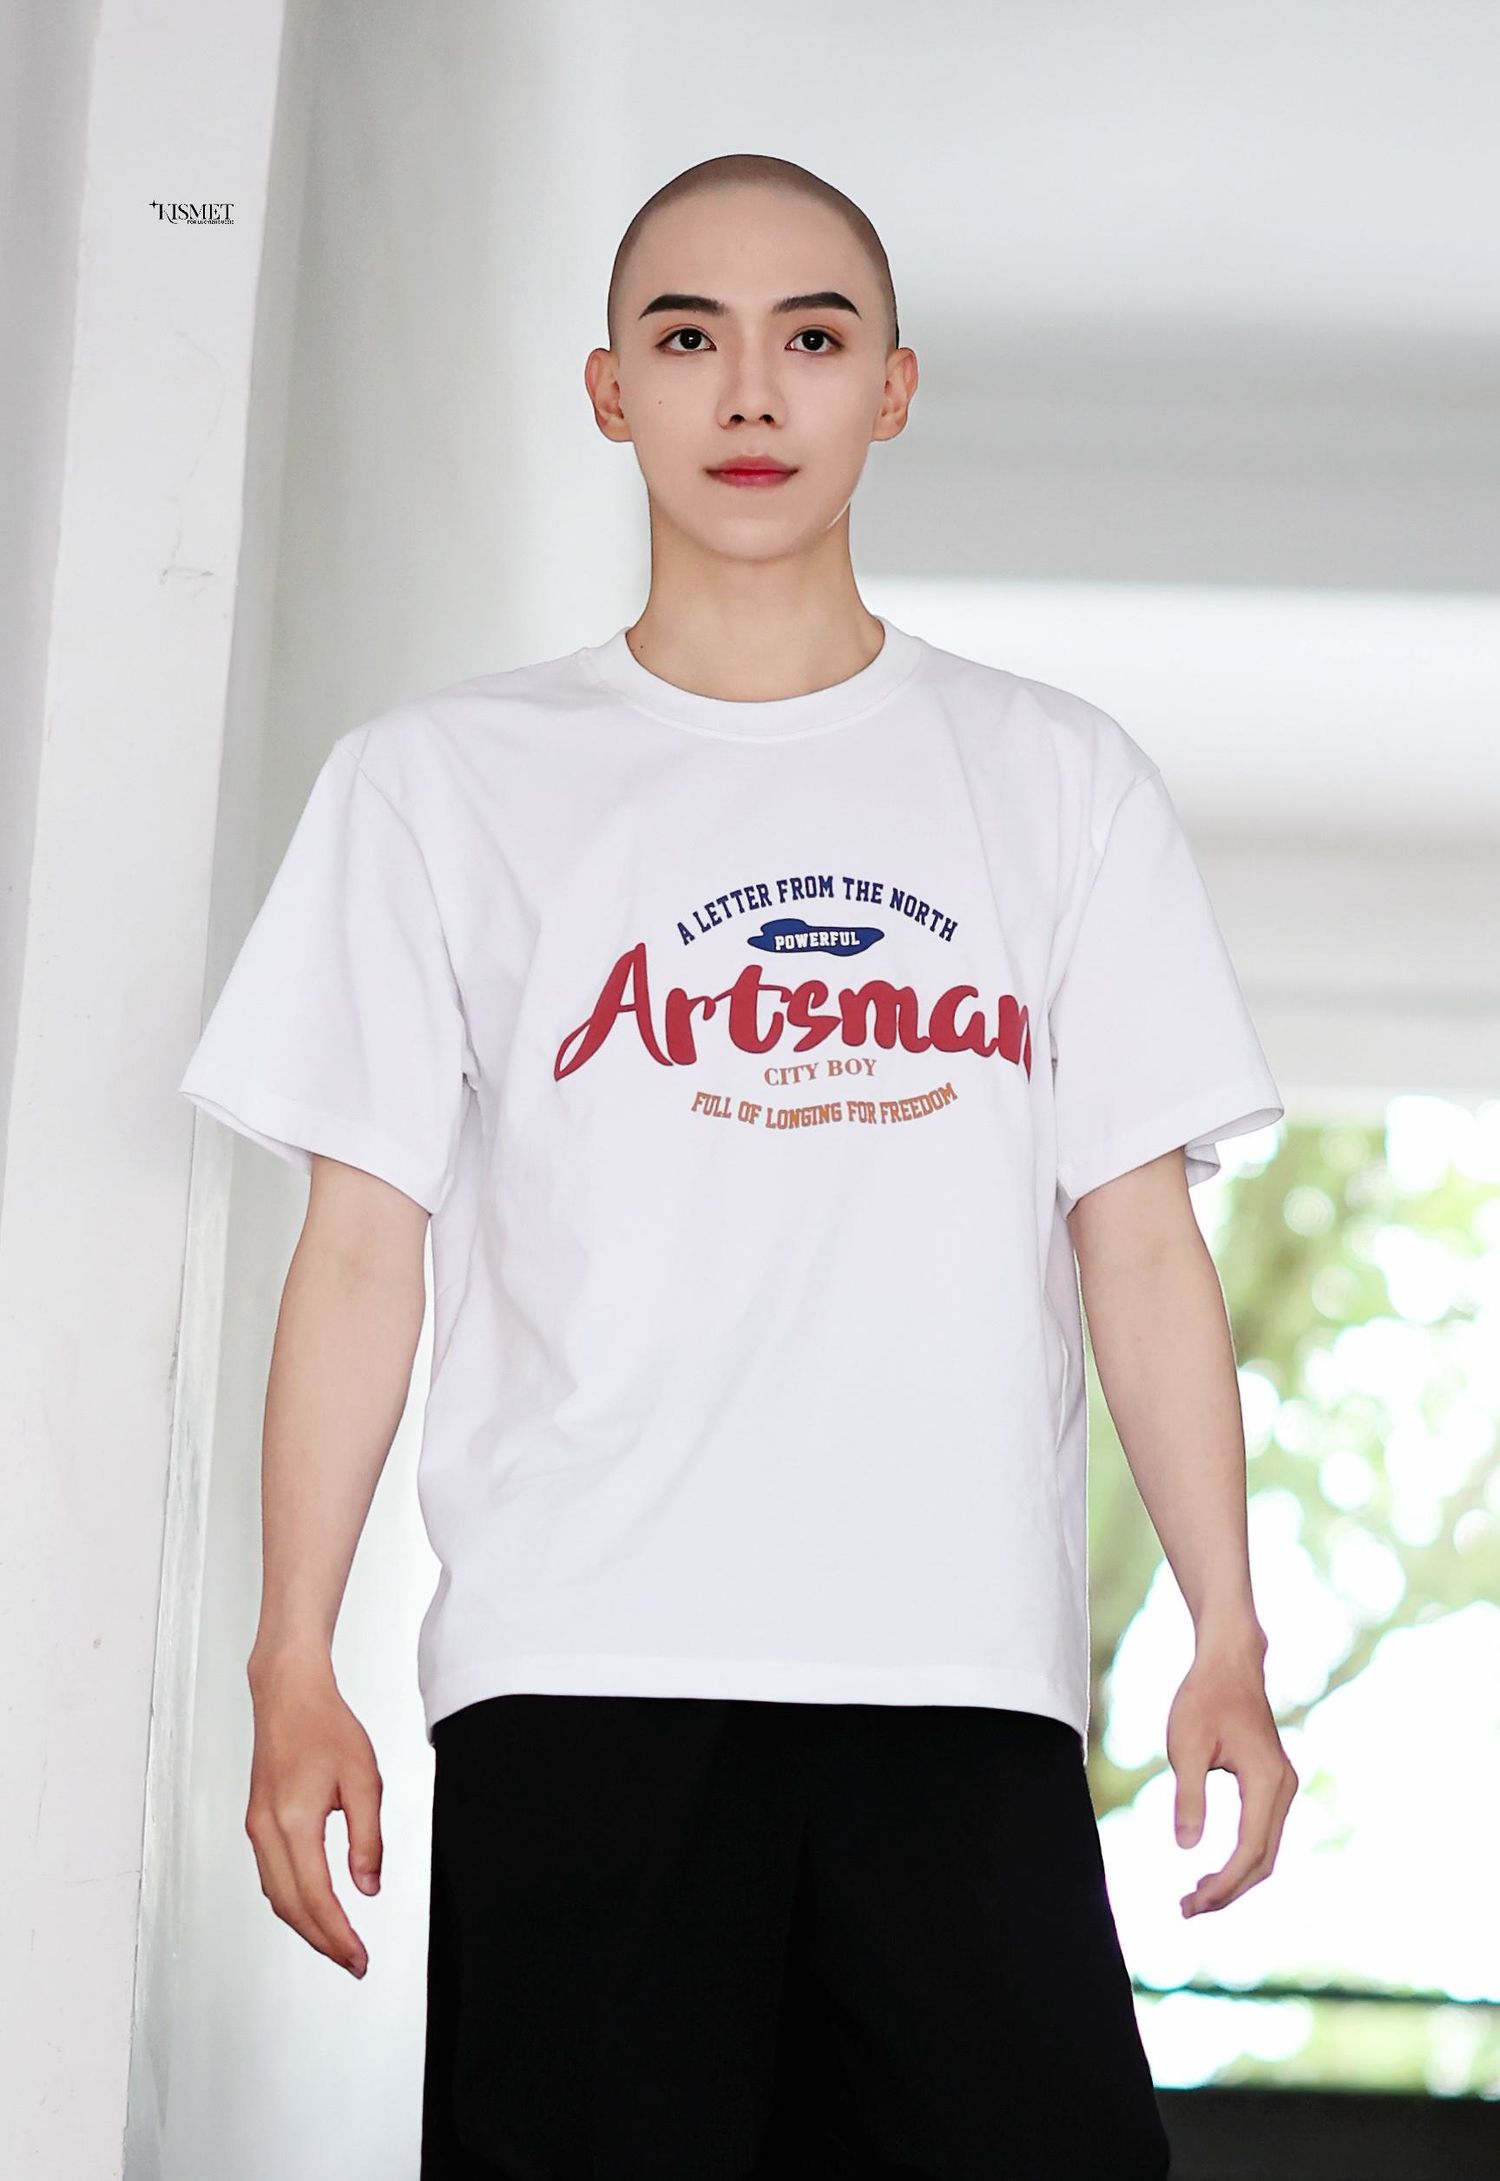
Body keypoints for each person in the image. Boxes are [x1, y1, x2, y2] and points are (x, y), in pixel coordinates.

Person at [178, 151, 1299, 2179]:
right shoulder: (437, 786)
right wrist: (292, 1652)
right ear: (611, 390)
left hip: (956, 1673)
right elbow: (359, 1247)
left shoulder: (1057, 782)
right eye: (691, 337)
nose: (754, 392)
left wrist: (1228, 1627)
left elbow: (1139, 1241)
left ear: (895, 387)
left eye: (815, 336)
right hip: (576, 1669)